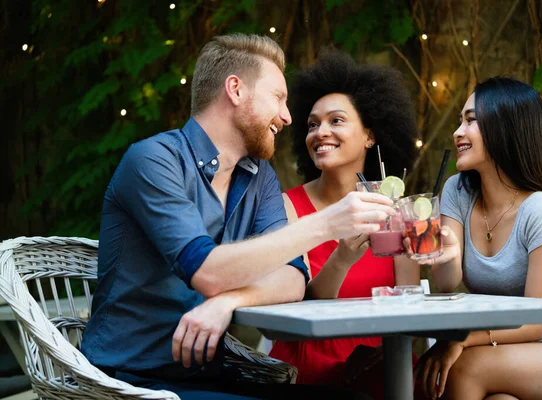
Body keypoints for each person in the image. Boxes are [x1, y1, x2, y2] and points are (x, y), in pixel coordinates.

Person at [81, 34, 397, 400]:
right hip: (129, 379)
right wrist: (326, 223)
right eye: (278, 98)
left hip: (209, 375)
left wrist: (230, 301)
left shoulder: (259, 177)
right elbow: (208, 272)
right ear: (235, 89)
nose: (287, 116)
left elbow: (294, 280)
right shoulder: (153, 161)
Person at [412, 77, 542, 400]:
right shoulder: (457, 192)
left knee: (465, 368)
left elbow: (536, 324)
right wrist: (446, 255)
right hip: (511, 343)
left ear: (505, 127)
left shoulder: (541, 210)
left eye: (471, 120)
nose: (458, 132)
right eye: (460, 121)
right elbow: (448, 281)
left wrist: (461, 338)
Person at [268, 48, 421, 399]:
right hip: (311, 373)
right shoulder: (285, 206)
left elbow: (409, 306)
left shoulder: (393, 206)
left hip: (384, 368)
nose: (320, 132)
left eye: (336, 121)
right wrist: (342, 257)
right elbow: (289, 318)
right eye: (311, 124)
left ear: (370, 135)